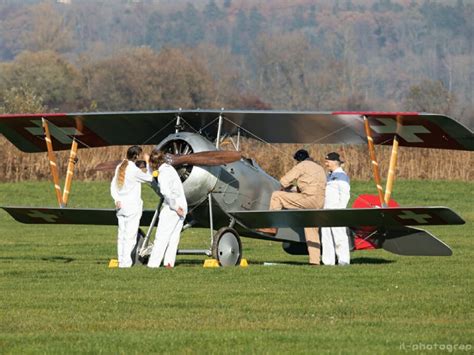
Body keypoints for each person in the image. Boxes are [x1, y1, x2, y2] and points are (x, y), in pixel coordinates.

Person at [258, 149, 326, 265]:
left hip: (308, 199)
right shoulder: (319, 168)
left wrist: (285, 187)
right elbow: (309, 186)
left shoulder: (302, 165)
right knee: (311, 230)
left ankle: (272, 227)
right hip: (319, 202)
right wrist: (293, 189)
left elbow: (284, 181)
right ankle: (315, 261)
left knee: (277, 196)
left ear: (298, 160)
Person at [111, 145, 153, 268]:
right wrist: (148, 163)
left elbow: (113, 186)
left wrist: (116, 199)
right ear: (136, 157)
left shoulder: (120, 167)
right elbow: (150, 178)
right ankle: (126, 263)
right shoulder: (134, 171)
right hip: (132, 207)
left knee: (122, 236)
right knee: (130, 236)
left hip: (120, 206)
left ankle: (121, 261)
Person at [147, 150, 187, 268]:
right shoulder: (169, 169)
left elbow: (166, 192)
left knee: (161, 236)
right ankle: (169, 263)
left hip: (172, 207)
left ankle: (153, 264)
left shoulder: (163, 173)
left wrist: (175, 207)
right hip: (182, 204)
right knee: (174, 237)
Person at [321, 152, 351, 266]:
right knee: (326, 237)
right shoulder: (329, 175)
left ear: (334, 162)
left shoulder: (342, 176)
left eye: (327, 161)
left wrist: (339, 210)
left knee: (339, 236)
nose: (326, 163)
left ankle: (344, 261)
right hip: (326, 210)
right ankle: (328, 262)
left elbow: (345, 195)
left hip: (336, 211)